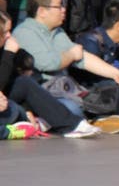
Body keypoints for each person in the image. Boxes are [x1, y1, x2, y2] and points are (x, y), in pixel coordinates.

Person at [12, 0, 119, 120]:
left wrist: (116, 74)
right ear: (42, 11)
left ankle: (95, 119)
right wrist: (71, 55)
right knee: (72, 109)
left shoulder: (56, 31)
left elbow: (82, 58)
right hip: (42, 93)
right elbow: (48, 64)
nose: (64, 10)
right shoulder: (25, 32)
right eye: (58, 6)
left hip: (64, 89)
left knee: (114, 94)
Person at [0, 8, 98, 137]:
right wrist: (8, 53)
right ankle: (21, 122)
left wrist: (27, 108)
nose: (9, 36)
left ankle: (71, 125)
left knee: (23, 85)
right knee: (14, 110)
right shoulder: (9, 49)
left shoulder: (6, 48)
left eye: (10, 31)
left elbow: (16, 81)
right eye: (5, 32)